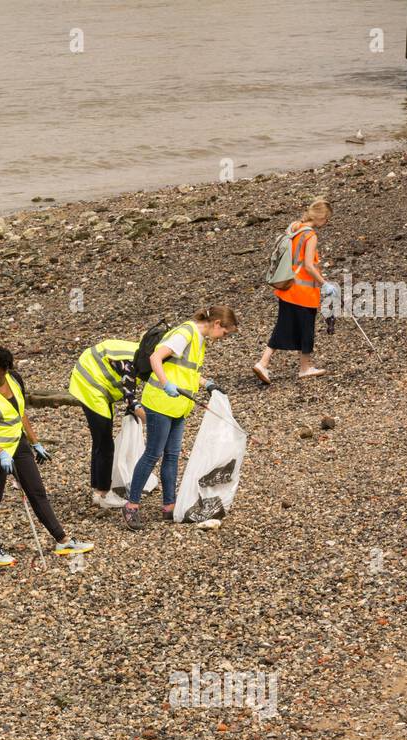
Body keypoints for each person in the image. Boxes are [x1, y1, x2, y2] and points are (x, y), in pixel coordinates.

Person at [0, 345, 94, 566]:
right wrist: (0, 453)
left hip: (18, 443)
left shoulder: (15, 380)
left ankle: (62, 540)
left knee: (37, 491)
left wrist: (35, 442)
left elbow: (20, 413)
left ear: (7, 369)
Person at [123, 307, 239, 529]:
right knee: (152, 454)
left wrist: (207, 384)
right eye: (225, 333)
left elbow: (186, 372)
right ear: (216, 324)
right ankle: (131, 506)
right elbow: (156, 357)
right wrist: (166, 383)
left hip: (178, 406)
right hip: (160, 402)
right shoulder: (186, 333)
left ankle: (169, 505)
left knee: (172, 455)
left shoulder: (200, 340)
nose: (224, 338)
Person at [253, 198, 337, 383]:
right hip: (303, 293)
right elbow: (308, 265)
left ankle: (263, 362)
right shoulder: (311, 235)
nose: (327, 223)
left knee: (283, 327)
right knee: (305, 330)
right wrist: (325, 284)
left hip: (288, 288)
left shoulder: (295, 228)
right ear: (321, 216)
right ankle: (304, 368)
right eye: (327, 219)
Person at [67, 337, 146, 509]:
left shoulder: (143, 352)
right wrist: (151, 421)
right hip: (90, 384)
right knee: (105, 443)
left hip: (92, 376)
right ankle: (102, 494)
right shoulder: (130, 364)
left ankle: (96, 489)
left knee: (100, 440)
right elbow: (130, 399)